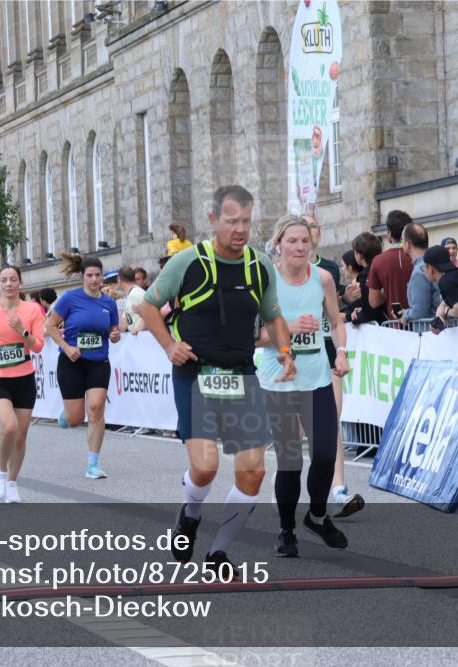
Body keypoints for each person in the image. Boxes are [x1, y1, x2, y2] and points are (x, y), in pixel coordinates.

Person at [137, 185, 296, 577]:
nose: (240, 229)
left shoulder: (259, 266)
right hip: (196, 373)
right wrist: (169, 345)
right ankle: (190, 513)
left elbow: (273, 316)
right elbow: (147, 305)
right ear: (213, 220)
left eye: (246, 221)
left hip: (242, 374)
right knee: (205, 466)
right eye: (231, 221)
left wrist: (285, 351)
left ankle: (218, 553)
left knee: (253, 470)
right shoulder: (187, 262)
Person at [258, 216, 352, 556]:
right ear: (278, 244)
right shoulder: (266, 281)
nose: (300, 247)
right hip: (280, 380)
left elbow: (336, 322)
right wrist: (289, 329)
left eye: (305, 241)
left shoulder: (322, 278)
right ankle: (287, 531)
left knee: (325, 455)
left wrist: (340, 352)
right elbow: (255, 337)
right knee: (290, 461)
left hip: (317, 377)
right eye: (292, 241)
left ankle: (317, 515)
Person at [0, 265, 47, 503]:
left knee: (21, 437)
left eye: (13, 280)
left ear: (20, 283)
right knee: (10, 427)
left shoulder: (32, 310)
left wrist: (22, 331)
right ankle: (1, 472)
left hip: (24, 378)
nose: (8, 284)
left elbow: (38, 346)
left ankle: (12, 483)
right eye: (4, 280)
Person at [303, 214, 362, 515]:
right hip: (296, 352)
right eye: (302, 226)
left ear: (319, 233)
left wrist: (345, 300)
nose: (308, 232)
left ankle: (338, 488)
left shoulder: (328, 269)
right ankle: (285, 481)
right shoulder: (281, 271)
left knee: (331, 418)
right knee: (297, 426)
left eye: (312, 226)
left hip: (326, 348)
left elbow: (333, 311)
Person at [46, 253, 121, 479]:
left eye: (98, 275)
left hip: (99, 362)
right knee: (75, 419)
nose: (94, 279)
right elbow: (50, 326)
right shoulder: (70, 299)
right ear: (83, 277)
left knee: (96, 409)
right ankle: (67, 414)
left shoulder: (109, 302)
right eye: (89, 275)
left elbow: (114, 331)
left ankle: (93, 464)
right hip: (72, 362)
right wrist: (67, 347)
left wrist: (115, 335)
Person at [367, 210, 413, 320]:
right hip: (424, 324)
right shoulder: (420, 255)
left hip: (396, 324)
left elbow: (373, 301)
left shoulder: (378, 261)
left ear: (389, 232)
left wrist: (388, 288)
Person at [400, 223, 442, 322]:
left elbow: (420, 312)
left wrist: (406, 315)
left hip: (428, 329)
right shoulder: (437, 263)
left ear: (407, 244)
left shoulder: (419, 271)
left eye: (402, 242)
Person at [347, 232, 386, 325]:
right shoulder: (383, 267)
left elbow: (369, 311)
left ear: (360, 255)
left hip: (381, 324)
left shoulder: (365, 274)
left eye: (355, 252)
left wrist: (356, 317)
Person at [116, 266, 147, 334]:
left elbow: (152, 313)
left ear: (119, 279)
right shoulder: (130, 295)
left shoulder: (136, 293)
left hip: (145, 336)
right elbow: (122, 327)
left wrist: (139, 328)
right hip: (137, 337)